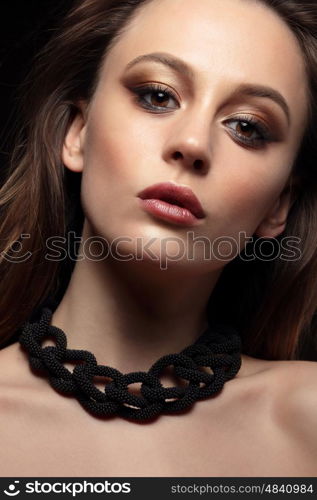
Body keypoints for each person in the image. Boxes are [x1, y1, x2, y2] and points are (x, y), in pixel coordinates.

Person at [0, 0, 316, 477]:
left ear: (278, 207)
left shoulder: (306, 419)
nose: (191, 144)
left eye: (247, 127)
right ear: (78, 133)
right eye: (158, 96)